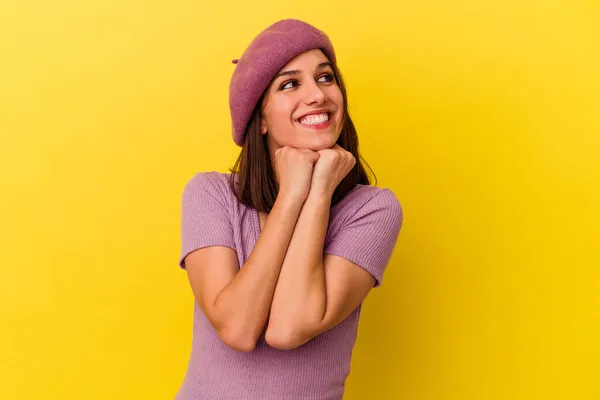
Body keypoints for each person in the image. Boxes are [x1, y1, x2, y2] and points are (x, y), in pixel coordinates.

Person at [176, 19, 403, 400]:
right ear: (260, 118)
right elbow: (237, 328)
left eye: (326, 78)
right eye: (290, 84)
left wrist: (317, 194)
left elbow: (288, 329)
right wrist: (292, 195)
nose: (317, 95)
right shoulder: (211, 195)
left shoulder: (372, 210)